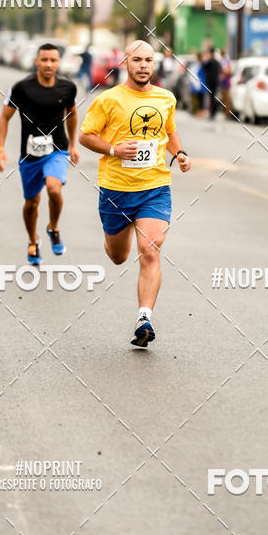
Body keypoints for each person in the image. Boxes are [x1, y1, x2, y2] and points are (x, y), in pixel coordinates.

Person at [78, 40, 191, 348]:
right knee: (118, 256)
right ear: (125, 63)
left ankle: (144, 319)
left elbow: (168, 130)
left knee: (150, 250)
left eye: (148, 60)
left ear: (154, 65)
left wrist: (179, 152)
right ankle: (116, 233)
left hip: (154, 188)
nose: (143, 65)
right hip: (115, 189)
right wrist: (114, 148)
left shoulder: (165, 98)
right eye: (137, 60)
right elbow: (85, 136)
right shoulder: (109, 99)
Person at [0, 43, 79, 265]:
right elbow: (4, 118)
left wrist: (73, 146)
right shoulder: (22, 88)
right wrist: (0, 149)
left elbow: (71, 114)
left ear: (59, 62)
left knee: (54, 188)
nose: (49, 64)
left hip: (57, 149)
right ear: (37, 61)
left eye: (53, 60)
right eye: (45, 60)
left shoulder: (68, 88)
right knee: (31, 203)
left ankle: (53, 227)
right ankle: (33, 240)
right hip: (29, 154)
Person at [202, 47, 221, 120]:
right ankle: (212, 113)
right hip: (212, 83)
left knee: (213, 98)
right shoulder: (213, 62)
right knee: (212, 98)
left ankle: (213, 114)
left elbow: (204, 68)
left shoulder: (213, 62)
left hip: (213, 83)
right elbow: (204, 68)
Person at [219, 49, 232, 118]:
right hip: (224, 82)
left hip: (226, 82)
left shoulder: (226, 61)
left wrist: (222, 75)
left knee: (226, 99)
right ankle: (226, 112)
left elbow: (227, 71)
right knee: (224, 98)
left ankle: (227, 114)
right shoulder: (224, 61)